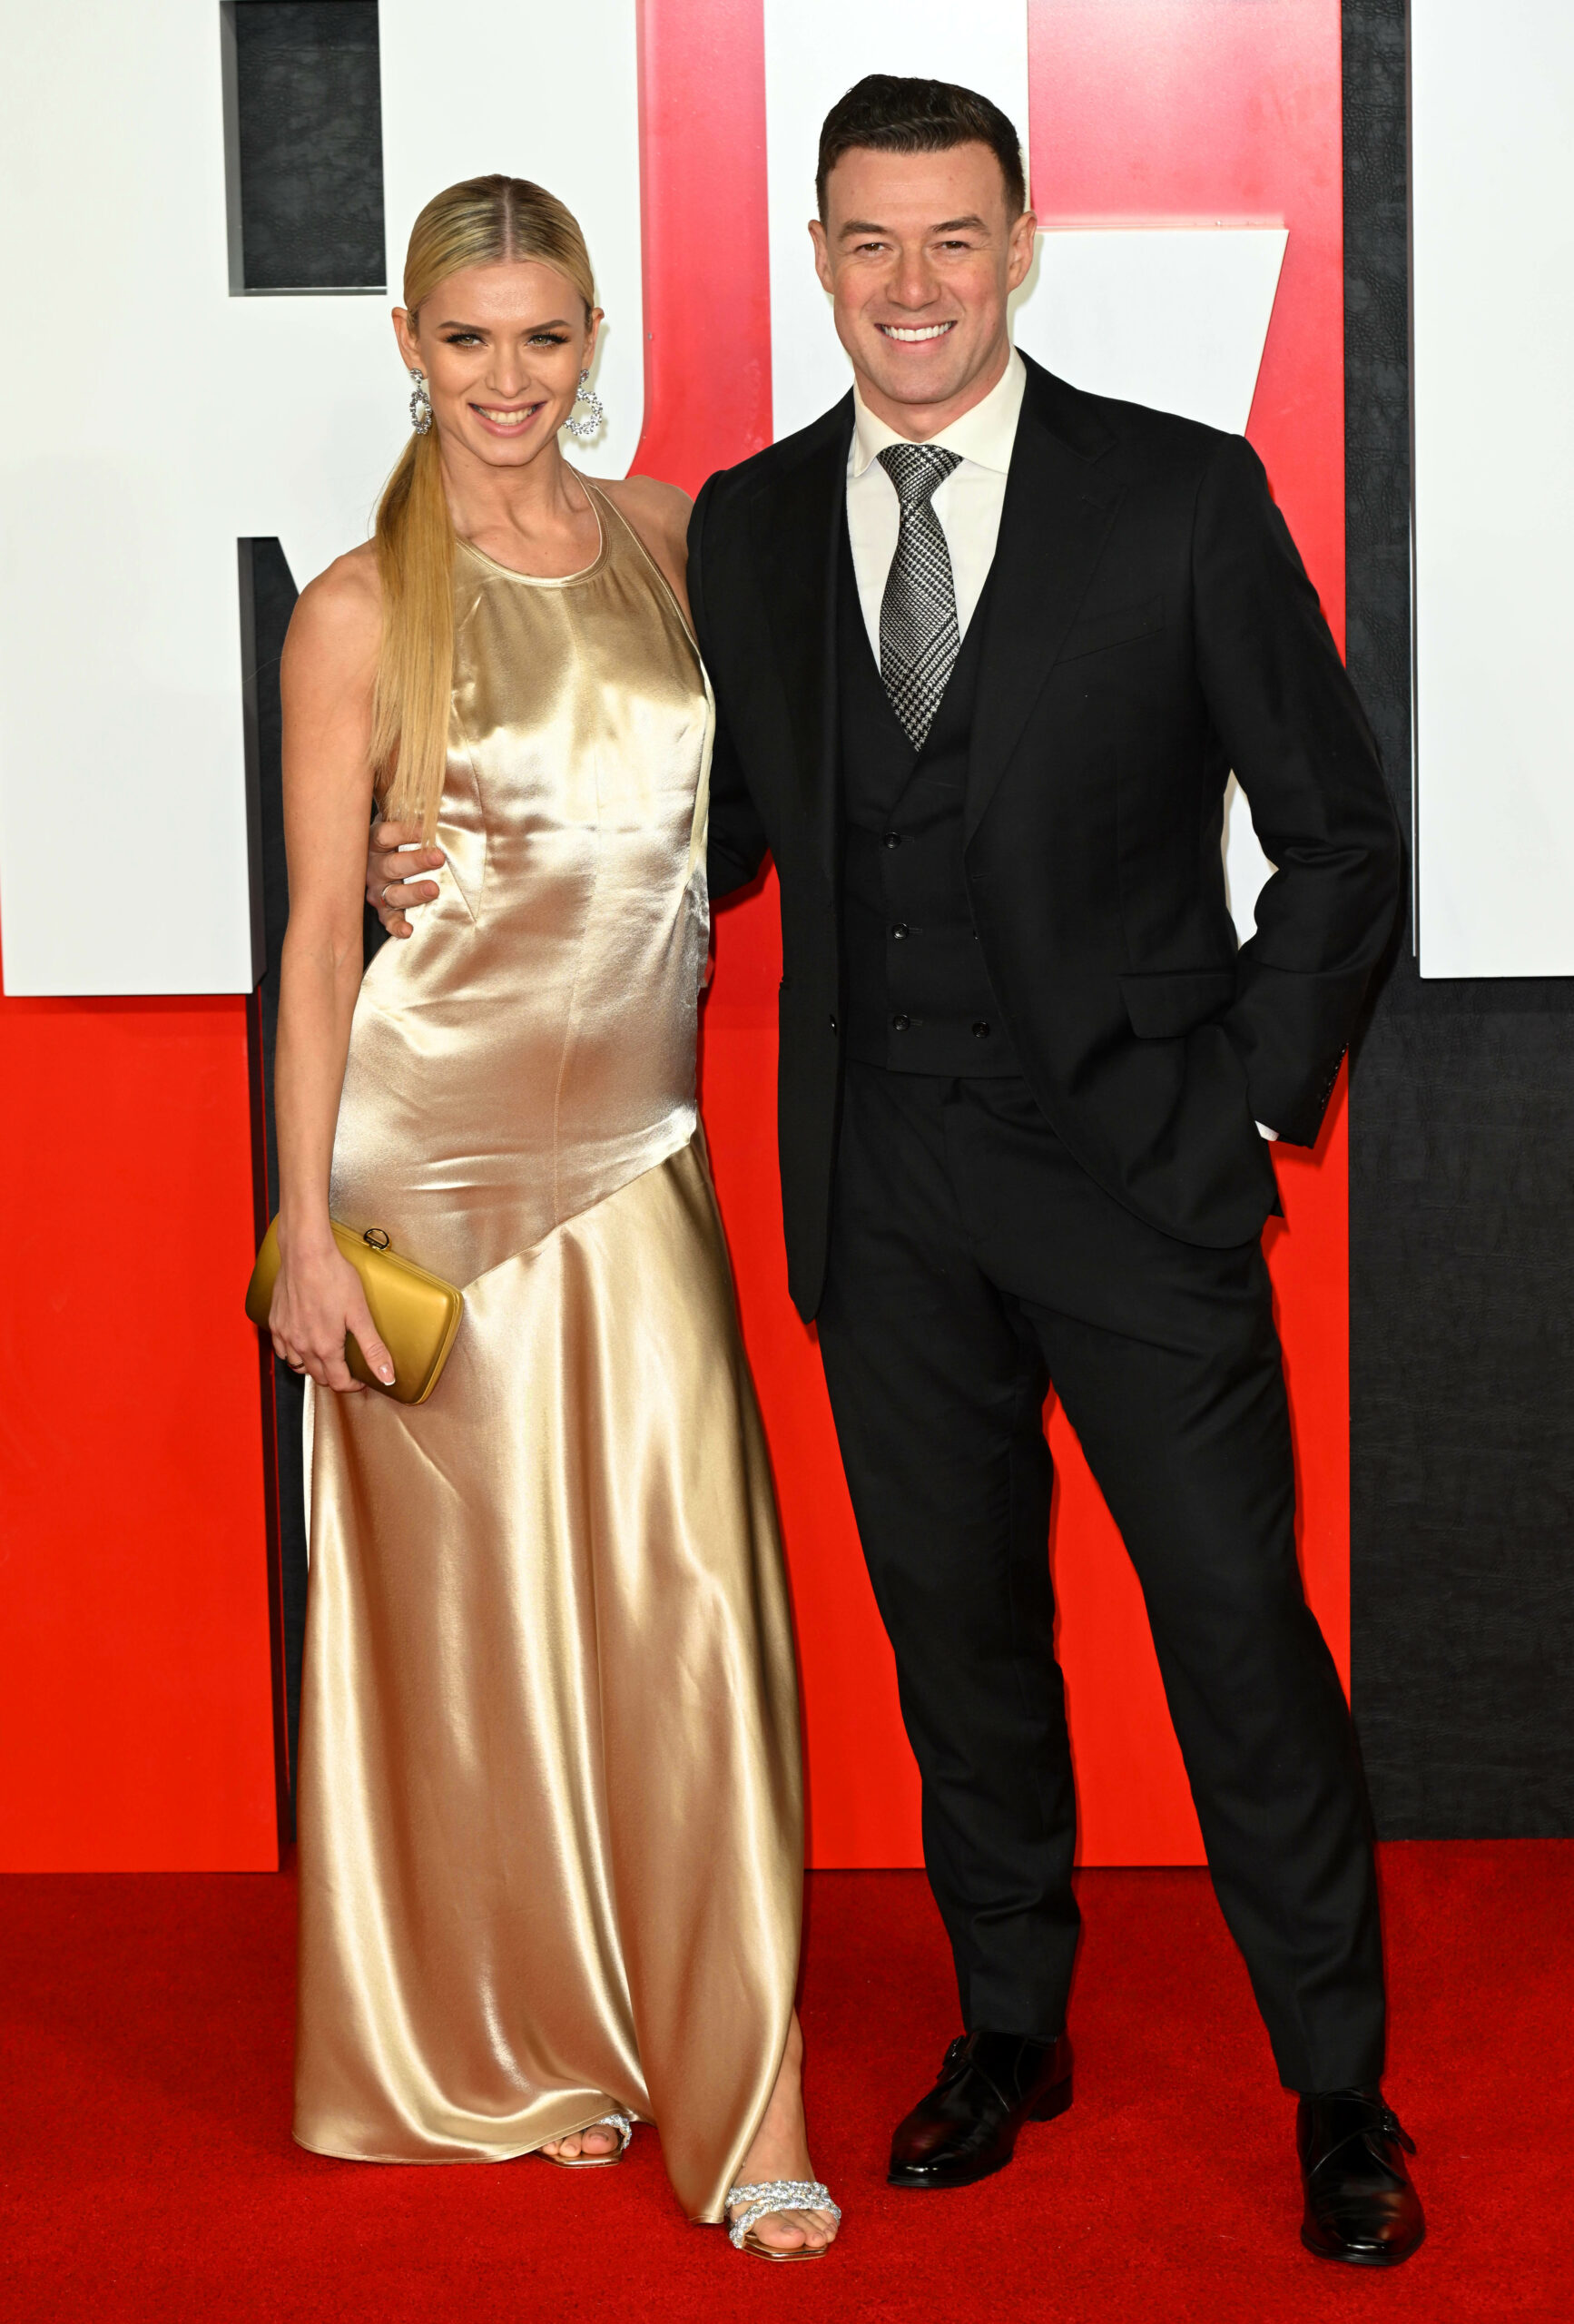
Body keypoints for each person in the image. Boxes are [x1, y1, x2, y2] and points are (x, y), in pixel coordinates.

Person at [371, 80, 1422, 2267]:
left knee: (1238, 1635)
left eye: (955, 239)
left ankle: (1339, 2081)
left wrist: (1242, 1092)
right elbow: (717, 829)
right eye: (871, 241)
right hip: (884, 1188)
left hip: (1137, 1180)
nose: (914, 284)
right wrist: (467, 865)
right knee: (964, 1643)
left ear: (1021, 250)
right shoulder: (751, 528)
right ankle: (1012, 2025)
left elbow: (1338, 835)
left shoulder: (1179, 494)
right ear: (819, 258)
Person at [268, 172, 839, 2261]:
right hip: (425, 1180)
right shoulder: (356, 609)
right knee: (472, 1644)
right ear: (407, 345)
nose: (506, 379)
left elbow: (746, 810)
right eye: (468, 338)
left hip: (638, 1154)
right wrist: (302, 1228)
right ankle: (518, 2050)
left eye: (542, 336)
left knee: (692, 1615)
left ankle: (749, 2100)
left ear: (594, 341)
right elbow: (319, 942)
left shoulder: (678, 543)